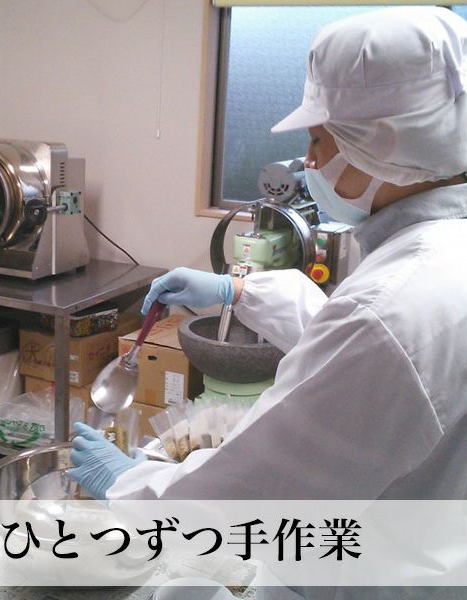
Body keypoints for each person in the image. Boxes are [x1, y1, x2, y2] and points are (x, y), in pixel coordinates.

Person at [70, 7, 467, 504]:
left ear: (384, 144)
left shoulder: (387, 311)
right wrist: (237, 289)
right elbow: (347, 345)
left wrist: (129, 486)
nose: (309, 161)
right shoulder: (438, 255)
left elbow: (247, 490)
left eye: (319, 139)